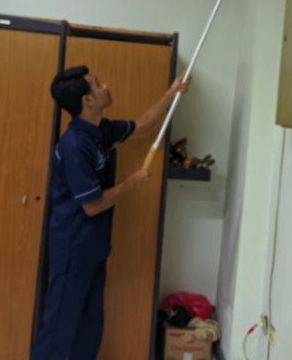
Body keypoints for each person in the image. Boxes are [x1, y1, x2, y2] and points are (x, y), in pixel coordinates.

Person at [30, 64, 191, 360]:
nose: (104, 86)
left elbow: (141, 125)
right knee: (58, 333)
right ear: (87, 100)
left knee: (89, 330)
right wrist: (129, 184)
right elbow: (92, 206)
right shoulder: (74, 145)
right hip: (73, 251)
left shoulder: (100, 129)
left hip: (94, 248)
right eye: (96, 83)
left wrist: (171, 93)